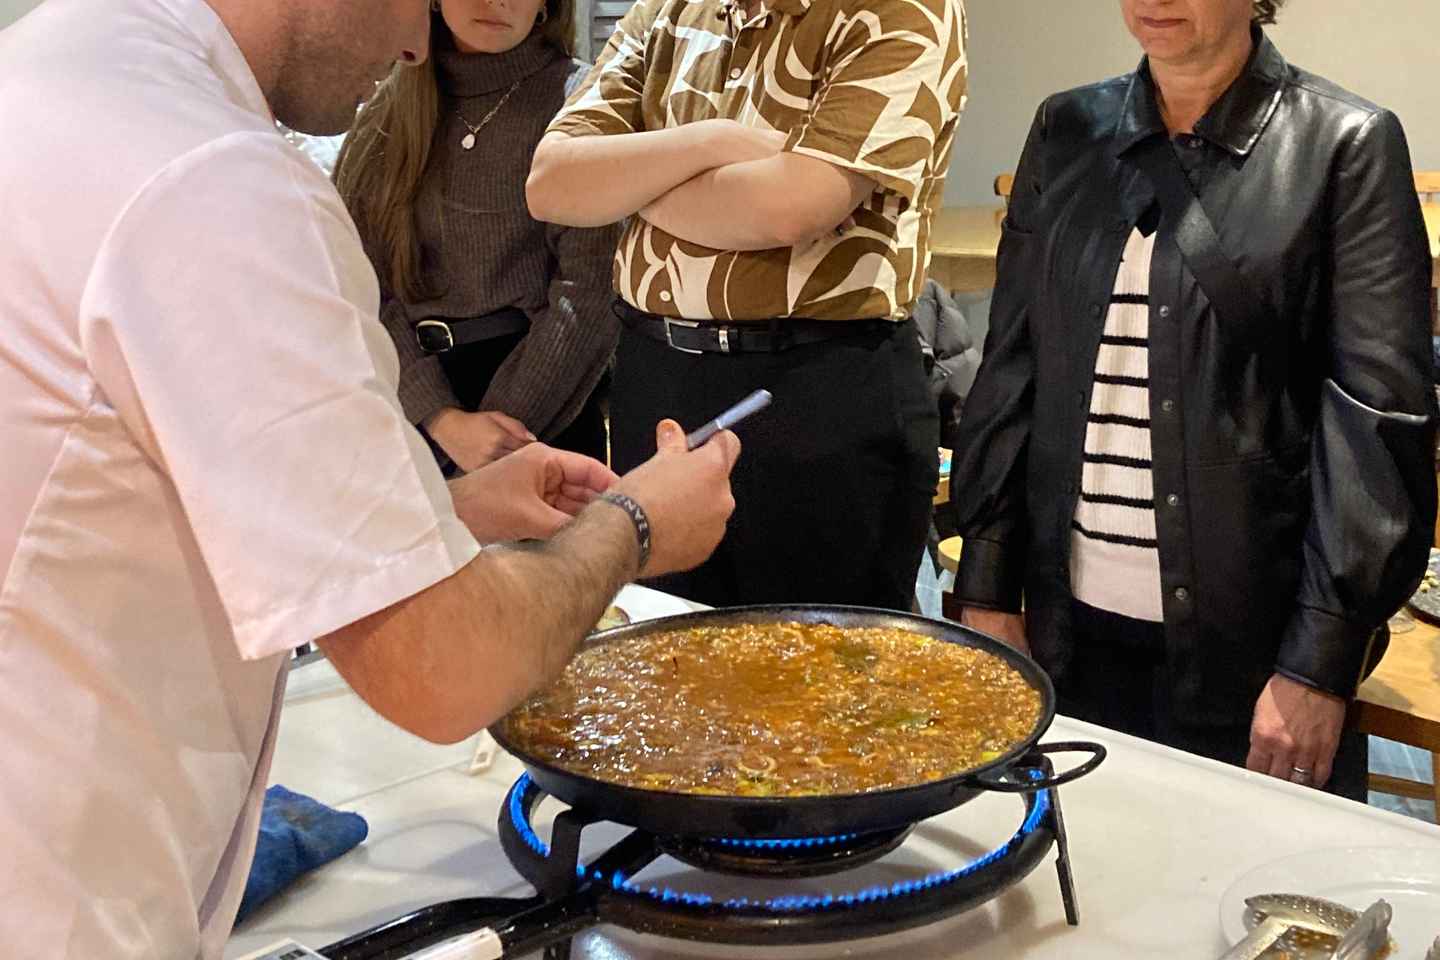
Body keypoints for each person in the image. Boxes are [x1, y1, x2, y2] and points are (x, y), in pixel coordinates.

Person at [0, 0, 740, 956]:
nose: (413, 39)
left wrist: (445, 511)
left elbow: (140, 488)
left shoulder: (52, 63)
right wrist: (635, 522)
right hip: (60, 887)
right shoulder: (212, 179)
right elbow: (444, 670)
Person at [949, 0, 1436, 801]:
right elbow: (1012, 363)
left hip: (1253, 661)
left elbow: (1377, 421)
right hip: (1063, 638)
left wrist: (1319, 662)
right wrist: (988, 585)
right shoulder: (1066, 129)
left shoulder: (1344, 142)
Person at [527, 0, 969, 610]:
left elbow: (789, 208)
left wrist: (629, 184)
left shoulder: (900, 9)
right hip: (655, 378)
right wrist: (711, 142)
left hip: (819, 388)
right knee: (659, 636)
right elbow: (551, 182)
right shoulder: (666, 10)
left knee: (821, 653)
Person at [334, 0, 622, 473]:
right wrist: (439, 418)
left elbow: (590, 291)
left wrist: (500, 435)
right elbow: (358, 282)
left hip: (540, 415)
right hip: (406, 410)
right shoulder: (385, 112)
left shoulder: (582, 102)